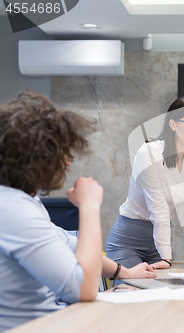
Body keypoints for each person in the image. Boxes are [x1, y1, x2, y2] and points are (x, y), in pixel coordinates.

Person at [0, 91, 155, 332]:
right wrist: (89, 206)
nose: (68, 161)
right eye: (62, 152)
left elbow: (70, 244)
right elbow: (84, 288)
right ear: (38, 158)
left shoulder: (22, 201)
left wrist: (125, 272)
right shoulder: (13, 210)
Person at [107, 96, 184, 270]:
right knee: (137, 291)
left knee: (162, 294)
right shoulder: (148, 153)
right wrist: (167, 258)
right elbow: (158, 207)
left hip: (156, 244)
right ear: (173, 124)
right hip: (127, 242)